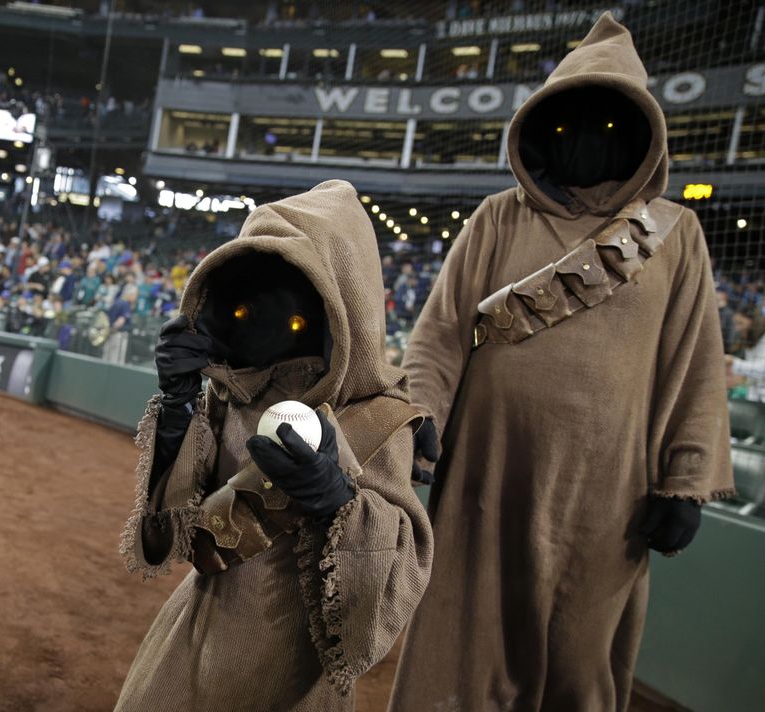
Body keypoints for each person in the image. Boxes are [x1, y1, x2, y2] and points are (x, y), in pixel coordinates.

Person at [389, 14, 733, 712]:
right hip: (487, 474)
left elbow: (695, 358)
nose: (582, 142)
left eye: (606, 128)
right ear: (540, 128)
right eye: (569, 124)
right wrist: (421, 411)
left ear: (640, 136)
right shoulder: (496, 218)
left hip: (610, 496)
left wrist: (687, 480)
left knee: (580, 667)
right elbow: (442, 334)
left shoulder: (676, 235)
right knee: (462, 645)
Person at [116, 180, 432, 711]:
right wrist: (177, 407)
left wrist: (341, 505)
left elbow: (390, 597)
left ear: (342, 298)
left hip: (296, 681)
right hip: (191, 652)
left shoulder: (380, 420)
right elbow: (165, 539)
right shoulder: (230, 393)